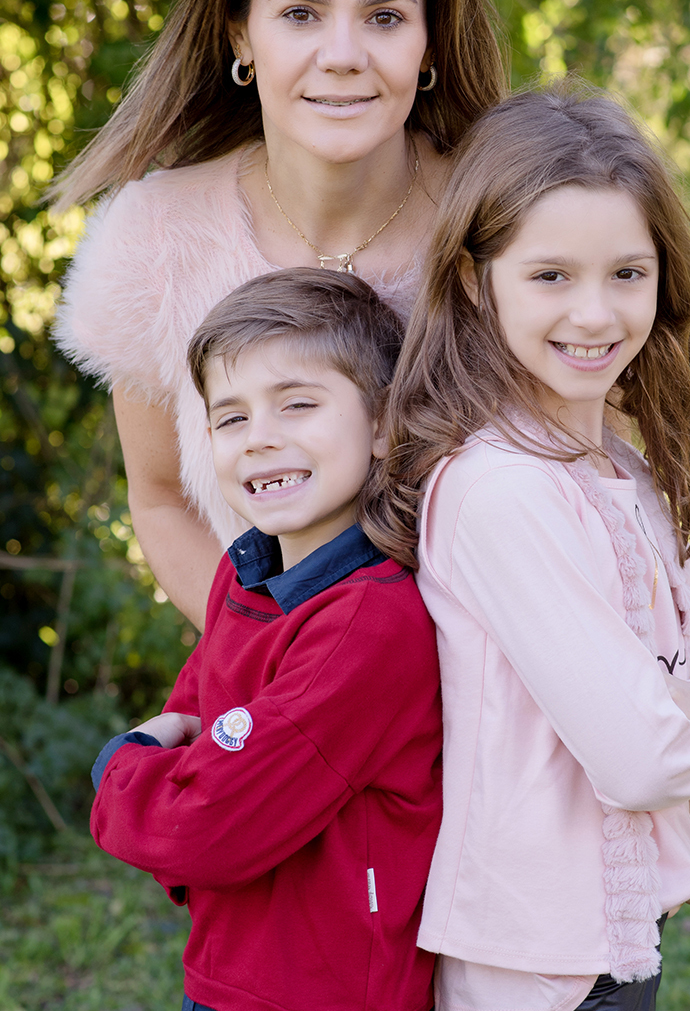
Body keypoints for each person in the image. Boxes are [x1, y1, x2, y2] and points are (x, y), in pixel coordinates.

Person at [366, 83, 690, 1011]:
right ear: (479, 282)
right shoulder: (498, 490)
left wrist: (682, 704)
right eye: (551, 276)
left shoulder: (626, 474)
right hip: (533, 965)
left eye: (627, 274)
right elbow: (639, 762)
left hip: (619, 937)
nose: (595, 316)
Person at [53, 0, 507, 629]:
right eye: (300, 14)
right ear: (240, 35)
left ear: (430, 37)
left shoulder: (503, 222)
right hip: (277, 712)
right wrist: (273, 671)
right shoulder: (156, 234)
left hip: (500, 716)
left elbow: (592, 468)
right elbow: (160, 499)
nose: (342, 55)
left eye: (384, 17)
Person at [89, 268, 443, 1011]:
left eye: (298, 405)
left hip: (323, 992)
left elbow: (204, 823)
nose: (261, 440)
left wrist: (119, 765)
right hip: (228, 974)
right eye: (232, 418)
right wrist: (190, 794)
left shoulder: (367, 623)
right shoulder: (243, 579)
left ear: (382, 426)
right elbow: (201, 762)